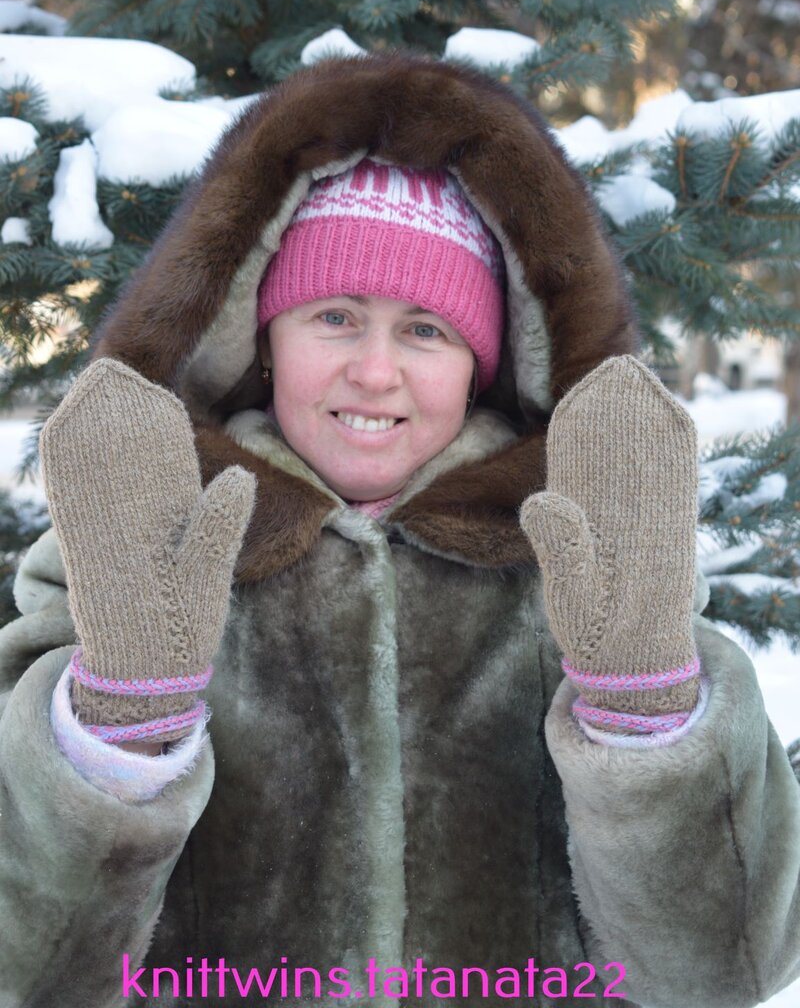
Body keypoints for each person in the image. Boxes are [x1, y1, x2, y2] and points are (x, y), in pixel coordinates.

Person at [1, 51, 798, 1008]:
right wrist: (120, 732)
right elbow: (27, 973)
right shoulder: (125, 545)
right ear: (265, 337)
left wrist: (648, 718)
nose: (376, 372)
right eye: (335, 316)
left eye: (426, 329)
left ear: (481, 363)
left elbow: (727, 970)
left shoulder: (596, 551)